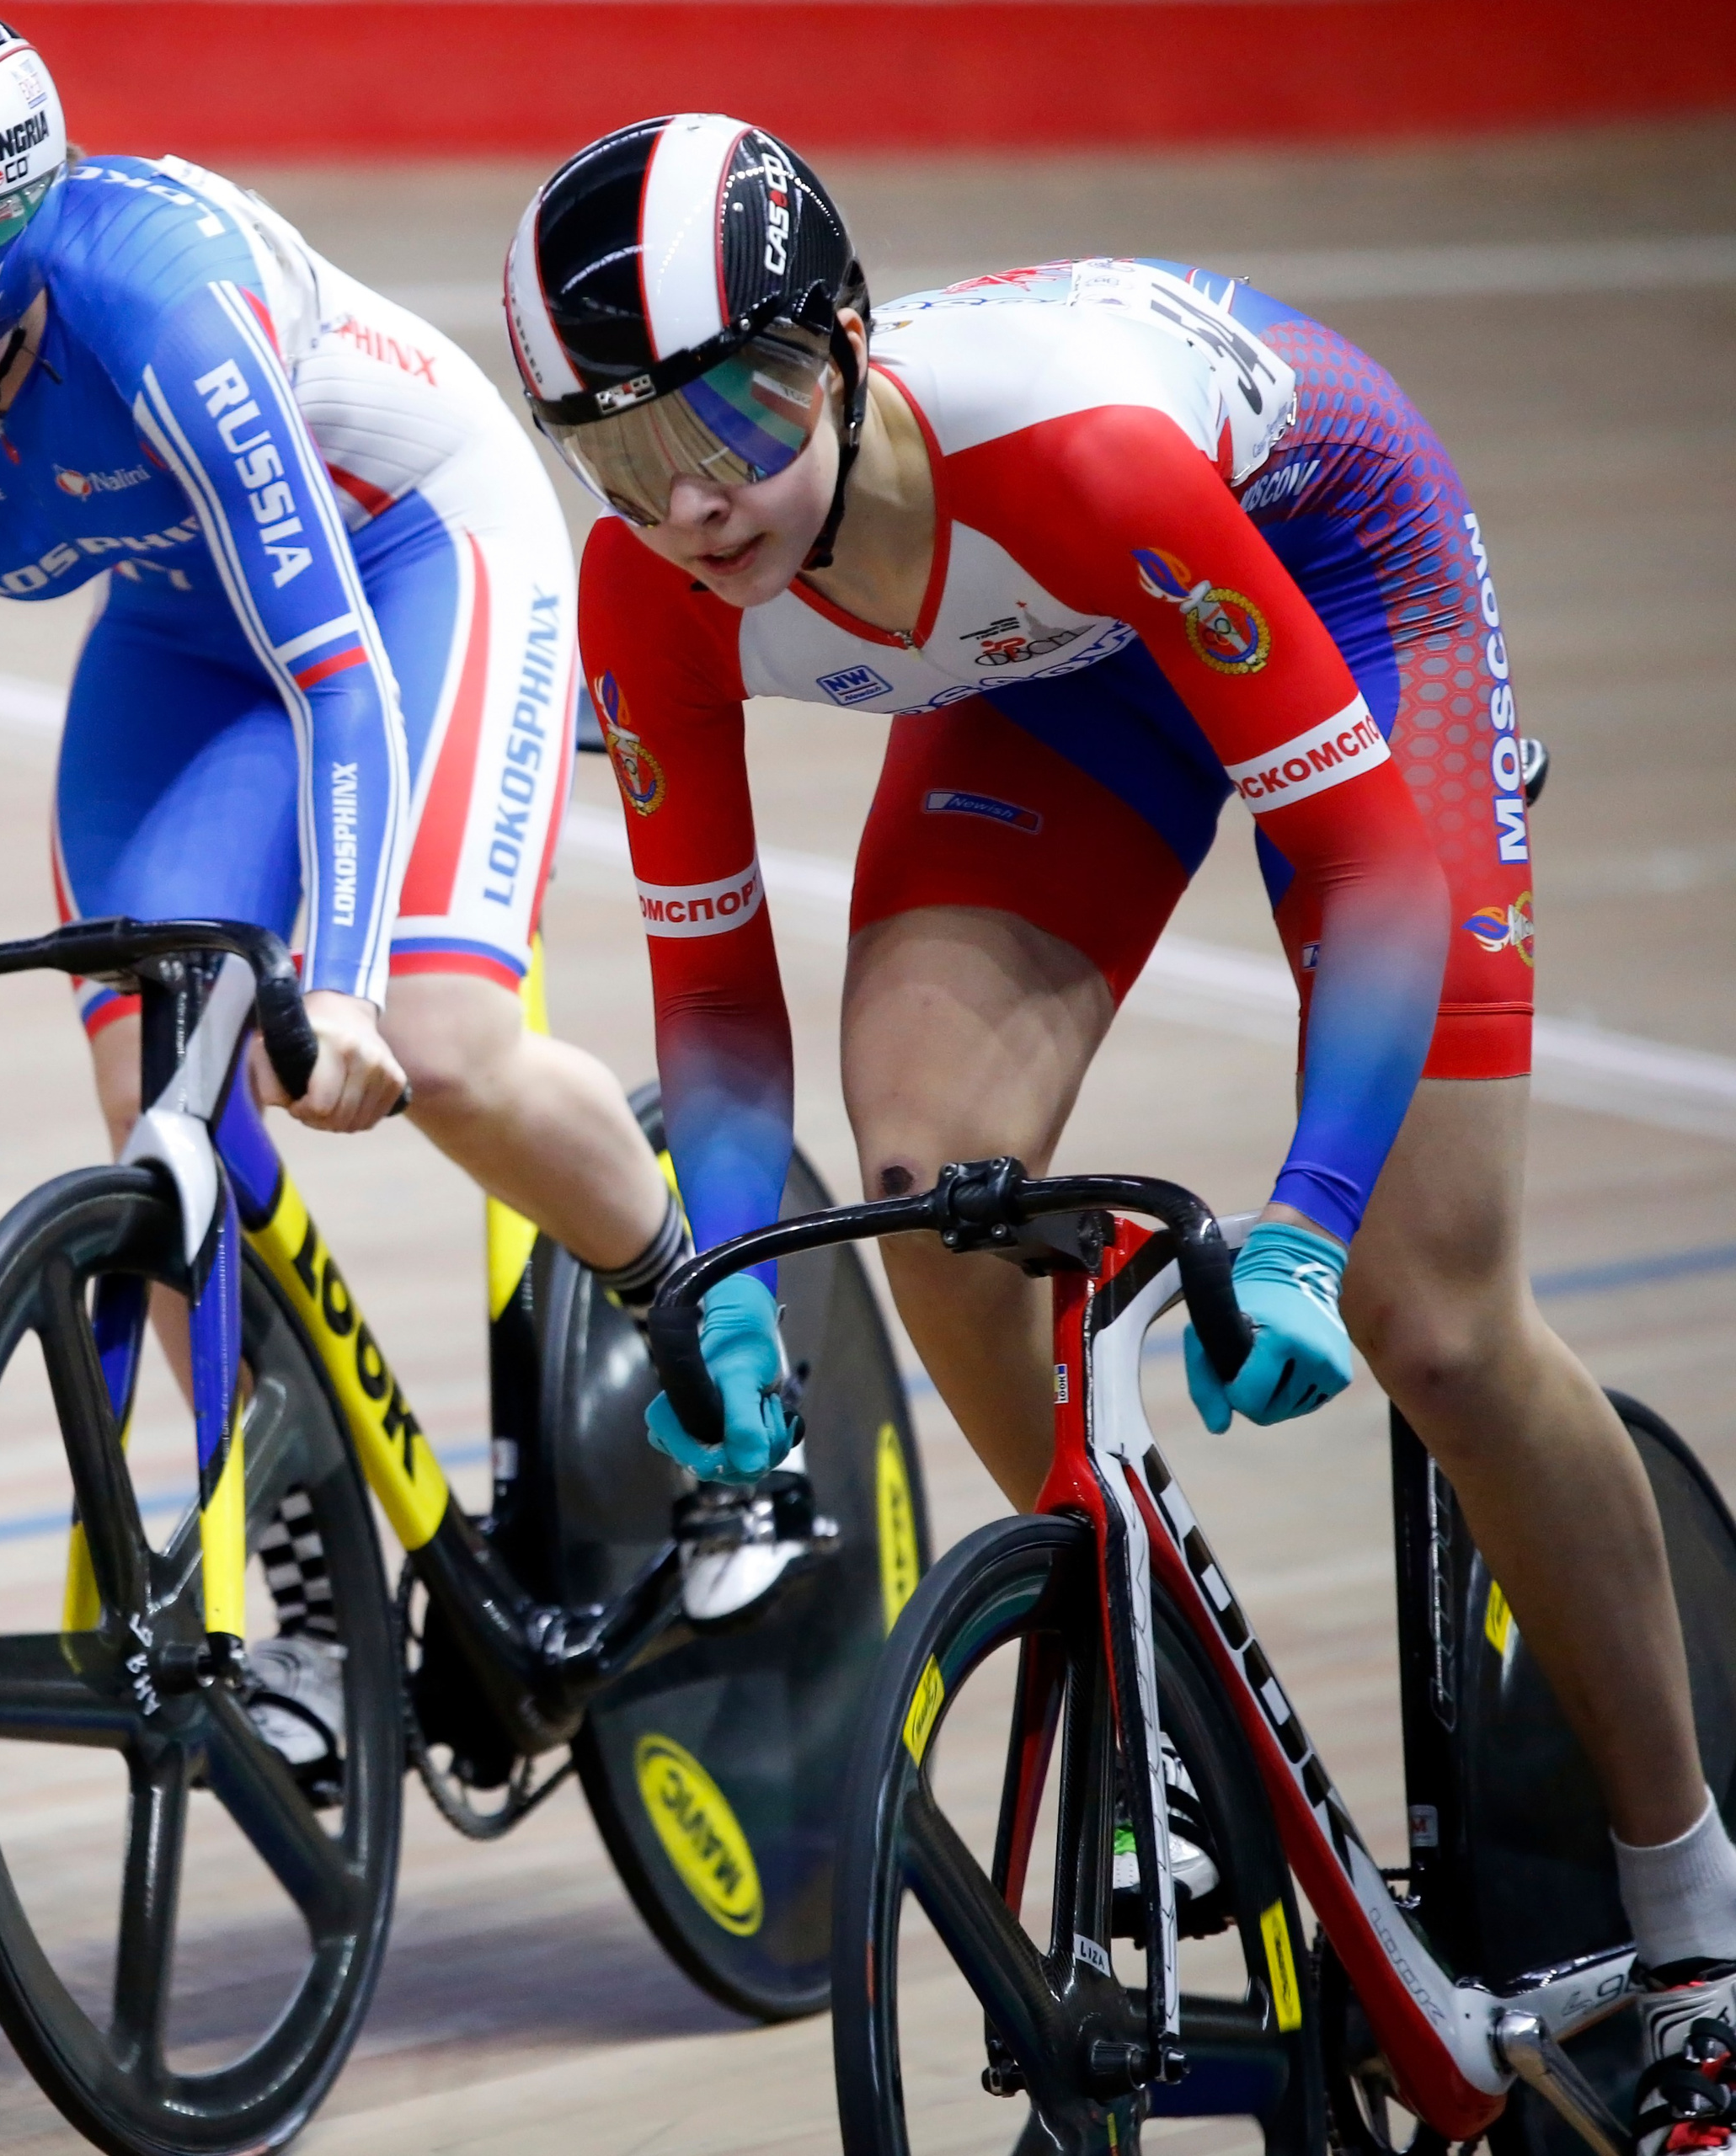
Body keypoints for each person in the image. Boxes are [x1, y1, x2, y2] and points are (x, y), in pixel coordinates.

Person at [508, 114, 1736, 2145]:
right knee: (924, 1193)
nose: (696, 490)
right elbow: (715, 998)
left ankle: (1693, 1911)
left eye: (734, 405)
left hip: (1321, 574)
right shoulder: (649, 598)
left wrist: (1299, 1225)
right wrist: (720, 1273)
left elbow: (1361, 867)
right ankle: (1170, 1757)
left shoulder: (1073, 450)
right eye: (626, 450)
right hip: (1049, 658)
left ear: (842, 336)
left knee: (1430, 1310)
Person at [0, 3, 689, 1756]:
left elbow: (337, 668)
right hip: (187, 634)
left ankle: (710, 1350)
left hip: (413, 555)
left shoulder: (160, 311)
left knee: (441, 1041)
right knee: (153, 1096)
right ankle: (320, 1565)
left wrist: (332, 975)